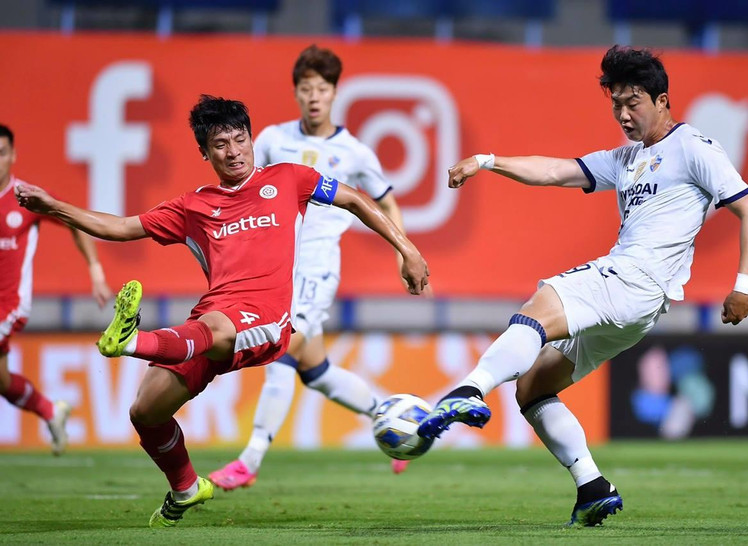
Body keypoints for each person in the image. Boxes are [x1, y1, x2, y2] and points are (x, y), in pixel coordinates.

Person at [15, 95, 429, 528]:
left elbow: (357, 200)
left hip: (266, 320)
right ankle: (187, 487)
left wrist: (409, 251)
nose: (233, 152)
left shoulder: (289, 178)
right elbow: (121, 227)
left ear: (252, 139)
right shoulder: (193, 206)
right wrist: (53, 207)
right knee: (145, 412)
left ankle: (131, 340)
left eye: (240, 139)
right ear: (204, 152)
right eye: (220, 144)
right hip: (211, 320)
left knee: (215, 329)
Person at [416, 46, 748, 527]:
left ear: (663, 100)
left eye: (634, 102)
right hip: (638, 309)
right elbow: (555, 170)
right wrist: (488, 160)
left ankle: (467, 390)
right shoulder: (627, 158)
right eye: (616, 103)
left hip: (632, 279)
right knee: (532, 387)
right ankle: (593, 487)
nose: (623, 114)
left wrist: (742, 287)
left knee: (538, 308)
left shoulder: (694, 147)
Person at [209, 45, 415, 490]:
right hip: (277, 268)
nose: (314, 97)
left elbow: (386, 201)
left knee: (281, 350)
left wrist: (403, 251)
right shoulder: (270, 139)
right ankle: (398, 419)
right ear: (296, 93)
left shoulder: (354, 152)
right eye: (306, 89)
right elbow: (245, 190)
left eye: (322, 88)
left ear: (335, 93)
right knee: (316, 372)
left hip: (318, 268)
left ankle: (250, 459)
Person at [0, 124, 111, 455]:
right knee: (4, 382)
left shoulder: (25, 197)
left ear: (13, 156)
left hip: (10, 304)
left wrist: (95, 268)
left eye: (1, 153)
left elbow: (73, 221)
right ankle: (52, 411)